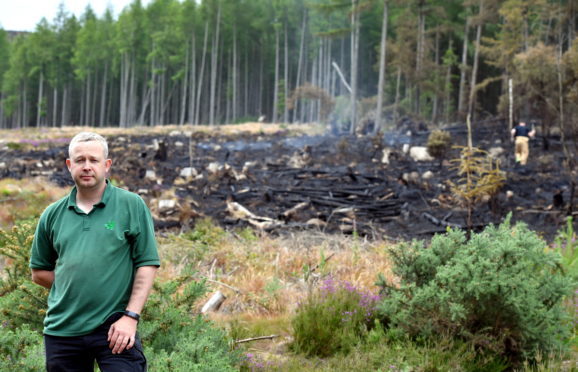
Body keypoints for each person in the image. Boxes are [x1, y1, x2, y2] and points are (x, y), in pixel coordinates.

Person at [30, 132, 160, 371]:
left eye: (94, 160)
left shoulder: (131, 205)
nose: (87, 166)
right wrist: (75, 288)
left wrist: (131, 317)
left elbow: (147, 264)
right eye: (80, 160)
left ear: (106, 165)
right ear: (70, 165)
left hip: (115, 328)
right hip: (63, 329)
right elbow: (39, 272)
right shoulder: (52, 214)